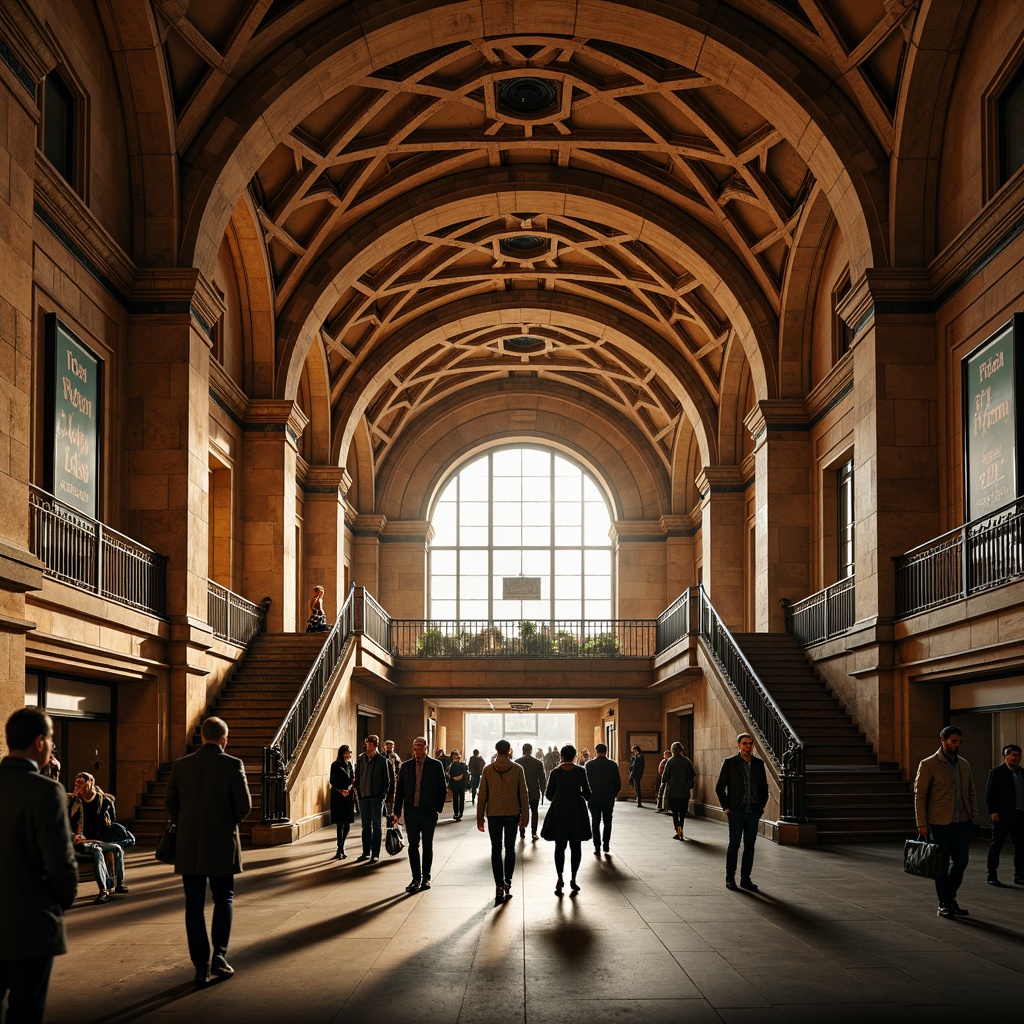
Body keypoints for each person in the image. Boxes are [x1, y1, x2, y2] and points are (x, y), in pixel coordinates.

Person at [0, 707, 78, 1024]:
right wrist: (59, 903)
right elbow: (60, 863)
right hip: (29, 926)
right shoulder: (46, 791)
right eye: (51, 739)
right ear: (39, 742)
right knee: (26, 1012)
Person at [165, 716, 252, 987]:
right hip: (223, 843)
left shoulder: (181, 765)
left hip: (189, 845)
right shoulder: (232, 764)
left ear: (202, 736)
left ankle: (200, 965)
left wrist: (188, 824)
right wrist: (226, 823)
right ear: (224, 738)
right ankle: (220, 958)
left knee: (193, 904)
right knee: (223, 898)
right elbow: (244, 805)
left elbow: (170, 804)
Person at [914, 725, 979, 918]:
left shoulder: (964, 764)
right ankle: (944, 903)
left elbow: (971, 792)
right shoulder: (928, 764)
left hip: (963, 822)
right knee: (941, 865)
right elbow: (920, 796)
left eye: (959, 742)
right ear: (943, 741)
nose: (957, 745)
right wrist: (921, 823)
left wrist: (974, 817)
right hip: (939, 823)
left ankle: (949, 897)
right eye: (953, 741)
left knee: (961, 862)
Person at [476, 739, 529, 904]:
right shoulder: (518, 769)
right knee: (510, 849)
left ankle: (499, 884)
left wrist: (480, 817)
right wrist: (525, 815)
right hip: (512, 813)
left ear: (496, 750)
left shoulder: (487, 769)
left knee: (496, 849)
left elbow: (482, 794)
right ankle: (508, 883)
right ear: (510, 751)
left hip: (493, 814)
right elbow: (523, 794)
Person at [392, 737, 447, 892]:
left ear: (426, 747)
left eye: (420, 746)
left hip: (429, 812)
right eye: (415, 745)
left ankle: (426, 878)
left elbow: (442, 788)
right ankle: (415, 878)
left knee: (427, 845)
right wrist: (396, 812)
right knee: (413, 846)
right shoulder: (406, 766)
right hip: (411, 812)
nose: (417, 748)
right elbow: (400, 791)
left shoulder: (436, 765)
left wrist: (438, 808)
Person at [715, 733, 768, 892]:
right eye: (745, 743)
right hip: (736, 812)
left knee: (750, 846)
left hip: (753, 812)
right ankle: (730, 877)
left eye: (750, 744)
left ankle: (746, 879)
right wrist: (726, 808)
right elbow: (719, 788)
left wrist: (761, 808)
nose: (748, 747)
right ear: (739, 745)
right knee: (734, 845)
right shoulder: (730, 763)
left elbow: (764, 788)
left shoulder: (759, 764)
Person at [68, 771, 128, 902]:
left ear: (90, 783)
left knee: (117, 848)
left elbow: (110, 820)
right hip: (80, 840)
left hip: (98, 838)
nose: (77, 785)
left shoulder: (103, 800)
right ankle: (104, 889)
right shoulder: (73, 802)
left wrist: (105, 822)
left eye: (81, 782)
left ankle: (119, 884)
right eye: (76, 783)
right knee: (97, 850)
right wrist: (74, 799)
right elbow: (66, 822)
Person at [541, 744, 592, 896]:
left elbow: (549, 795)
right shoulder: (580, 771)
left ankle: (559, 877)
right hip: (576, 809)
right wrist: (579, 796)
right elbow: (588, 793)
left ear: (561, 756)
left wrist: (560, 795)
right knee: (576, 845)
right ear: (575, 755)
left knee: (560, 845)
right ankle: (574, 878)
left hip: (560, 809)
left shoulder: (555, 772)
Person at [985, 743, 1024, 886]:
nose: (1015, 758)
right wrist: (993, 812)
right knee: (997, 846)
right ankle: (992, 875)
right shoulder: (997, 772)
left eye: (1018, 755)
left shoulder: (1022, 773)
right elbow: (990, 794)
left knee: (1021, 846)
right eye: (1012, 755)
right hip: (1002, 815)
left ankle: (1019, 875)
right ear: (1005, 756)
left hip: (1020, 815)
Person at [356, 735, 394, 863]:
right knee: (365, 825)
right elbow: (358, 775)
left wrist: (382, 795)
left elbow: (387, 781)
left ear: (376, 745)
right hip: (364, 797)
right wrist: (359, 792)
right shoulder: (362, 759)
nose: (368, 746)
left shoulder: (382, 761)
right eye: (367, 743)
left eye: (371, 744)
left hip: (376, 798)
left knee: (376, 825)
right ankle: (366, 852)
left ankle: (375, 853)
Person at [585, 742, 621, 854]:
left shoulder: (589, 765)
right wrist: (613, 794)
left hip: (593, 798)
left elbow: (585, 783)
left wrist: (587, 795)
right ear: (607, 751)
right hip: (608, 799)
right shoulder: (613, 765)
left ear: (596, 751)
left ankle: (597, 846)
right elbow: (618, 783)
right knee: (608, 822)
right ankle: (606, 844)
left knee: (595, 822)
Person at [662, 742, 697, 840]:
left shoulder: (670, 761)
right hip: (684, 791)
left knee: (675, 812)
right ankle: (681, 829)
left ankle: (678, 831)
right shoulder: (687, 761)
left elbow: (665, 777)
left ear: (672, 750)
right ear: (681, 750)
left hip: (673, 791)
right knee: (682, 813)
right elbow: (692, 775)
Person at [329, 744, 357, 859]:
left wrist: (349, 788)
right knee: (340, 823)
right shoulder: (335, 765)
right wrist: (341, 791)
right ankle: (339, 848)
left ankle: (341, 847)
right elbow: (332, 780)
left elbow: (352, 779)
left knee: (347, 823)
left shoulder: (350, 765)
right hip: (338, 795)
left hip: (348, 794)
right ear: (341, 753)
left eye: (349, 752)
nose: (348, 754)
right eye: (346, 752)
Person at [514, 743, 547, 840]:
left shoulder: (516, 763)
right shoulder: (538, 763)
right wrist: (542, 789)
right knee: (534, 812)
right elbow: (542, 778)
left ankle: (521, 830)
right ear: (531, 751)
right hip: (534, 792)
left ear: (523, 750)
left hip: (520, 793)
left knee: (521, 812)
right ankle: (534, 832)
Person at [383, 739, 402, 819]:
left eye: (391, 746)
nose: (390, 748)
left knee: (390, 799)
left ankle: (390, 815)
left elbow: (399, 768)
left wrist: (396, 775)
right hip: (383, 780)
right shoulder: (382, 756)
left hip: (392, 780)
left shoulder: (395, 757)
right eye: (388, 746)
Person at [447, 749, 469, 821]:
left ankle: (456, 813)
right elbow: (467, 775)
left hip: (454, 784)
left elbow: (449, 775)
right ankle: (461, 813)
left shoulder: (452, 766)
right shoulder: (463, 765)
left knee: (455, 799)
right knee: (462, 799)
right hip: (462, 784)